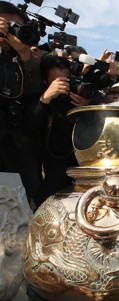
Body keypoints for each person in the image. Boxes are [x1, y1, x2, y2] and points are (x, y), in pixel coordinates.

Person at [31, 55, 105, 207]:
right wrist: (46, 98)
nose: (64, 86)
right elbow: (28, 126)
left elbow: (105, 108)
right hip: (54, 165)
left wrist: (88, 104)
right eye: (57, 82)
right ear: (46, 82)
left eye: (66, 80)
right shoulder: (41, 99)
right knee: (43, 205)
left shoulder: (78, 94)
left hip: (81, 163)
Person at [0, 1, 43, 205]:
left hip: (16, 137)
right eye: (7, 25)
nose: (12, 32)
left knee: (28, 192)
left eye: (16, 27)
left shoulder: (21, 57)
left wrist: (25, 55)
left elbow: (34, 89)